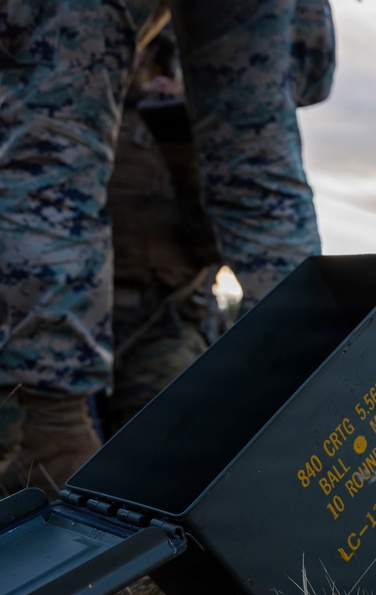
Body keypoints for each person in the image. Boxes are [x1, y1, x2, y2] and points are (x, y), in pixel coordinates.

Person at [0, 1, 336, 499]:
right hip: (67, 325)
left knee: (55, 150)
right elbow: (298, 80)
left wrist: (182, 150)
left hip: (158, 321)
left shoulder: (171, 127)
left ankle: (307, 424)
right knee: (262, 180)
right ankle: (315, 431)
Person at [99, 31, 226, 437]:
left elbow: (217, 243)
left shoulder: (204, 128)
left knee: (168, 439)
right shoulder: (79, 115)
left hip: (162, 322)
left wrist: (183, 147)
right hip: (69, 311)